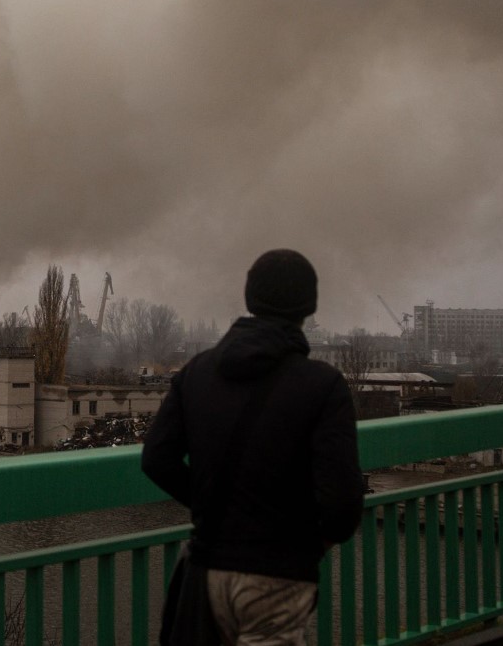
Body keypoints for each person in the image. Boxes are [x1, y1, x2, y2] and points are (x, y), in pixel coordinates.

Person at [142, 249, 363, 645]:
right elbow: (343, 507)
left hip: (206, 569)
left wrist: (213, 507)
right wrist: (304, 543)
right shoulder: (324, 385)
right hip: (276, 579)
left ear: (250, 297)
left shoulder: (196, 371)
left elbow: (157, 459)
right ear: (309, 307)